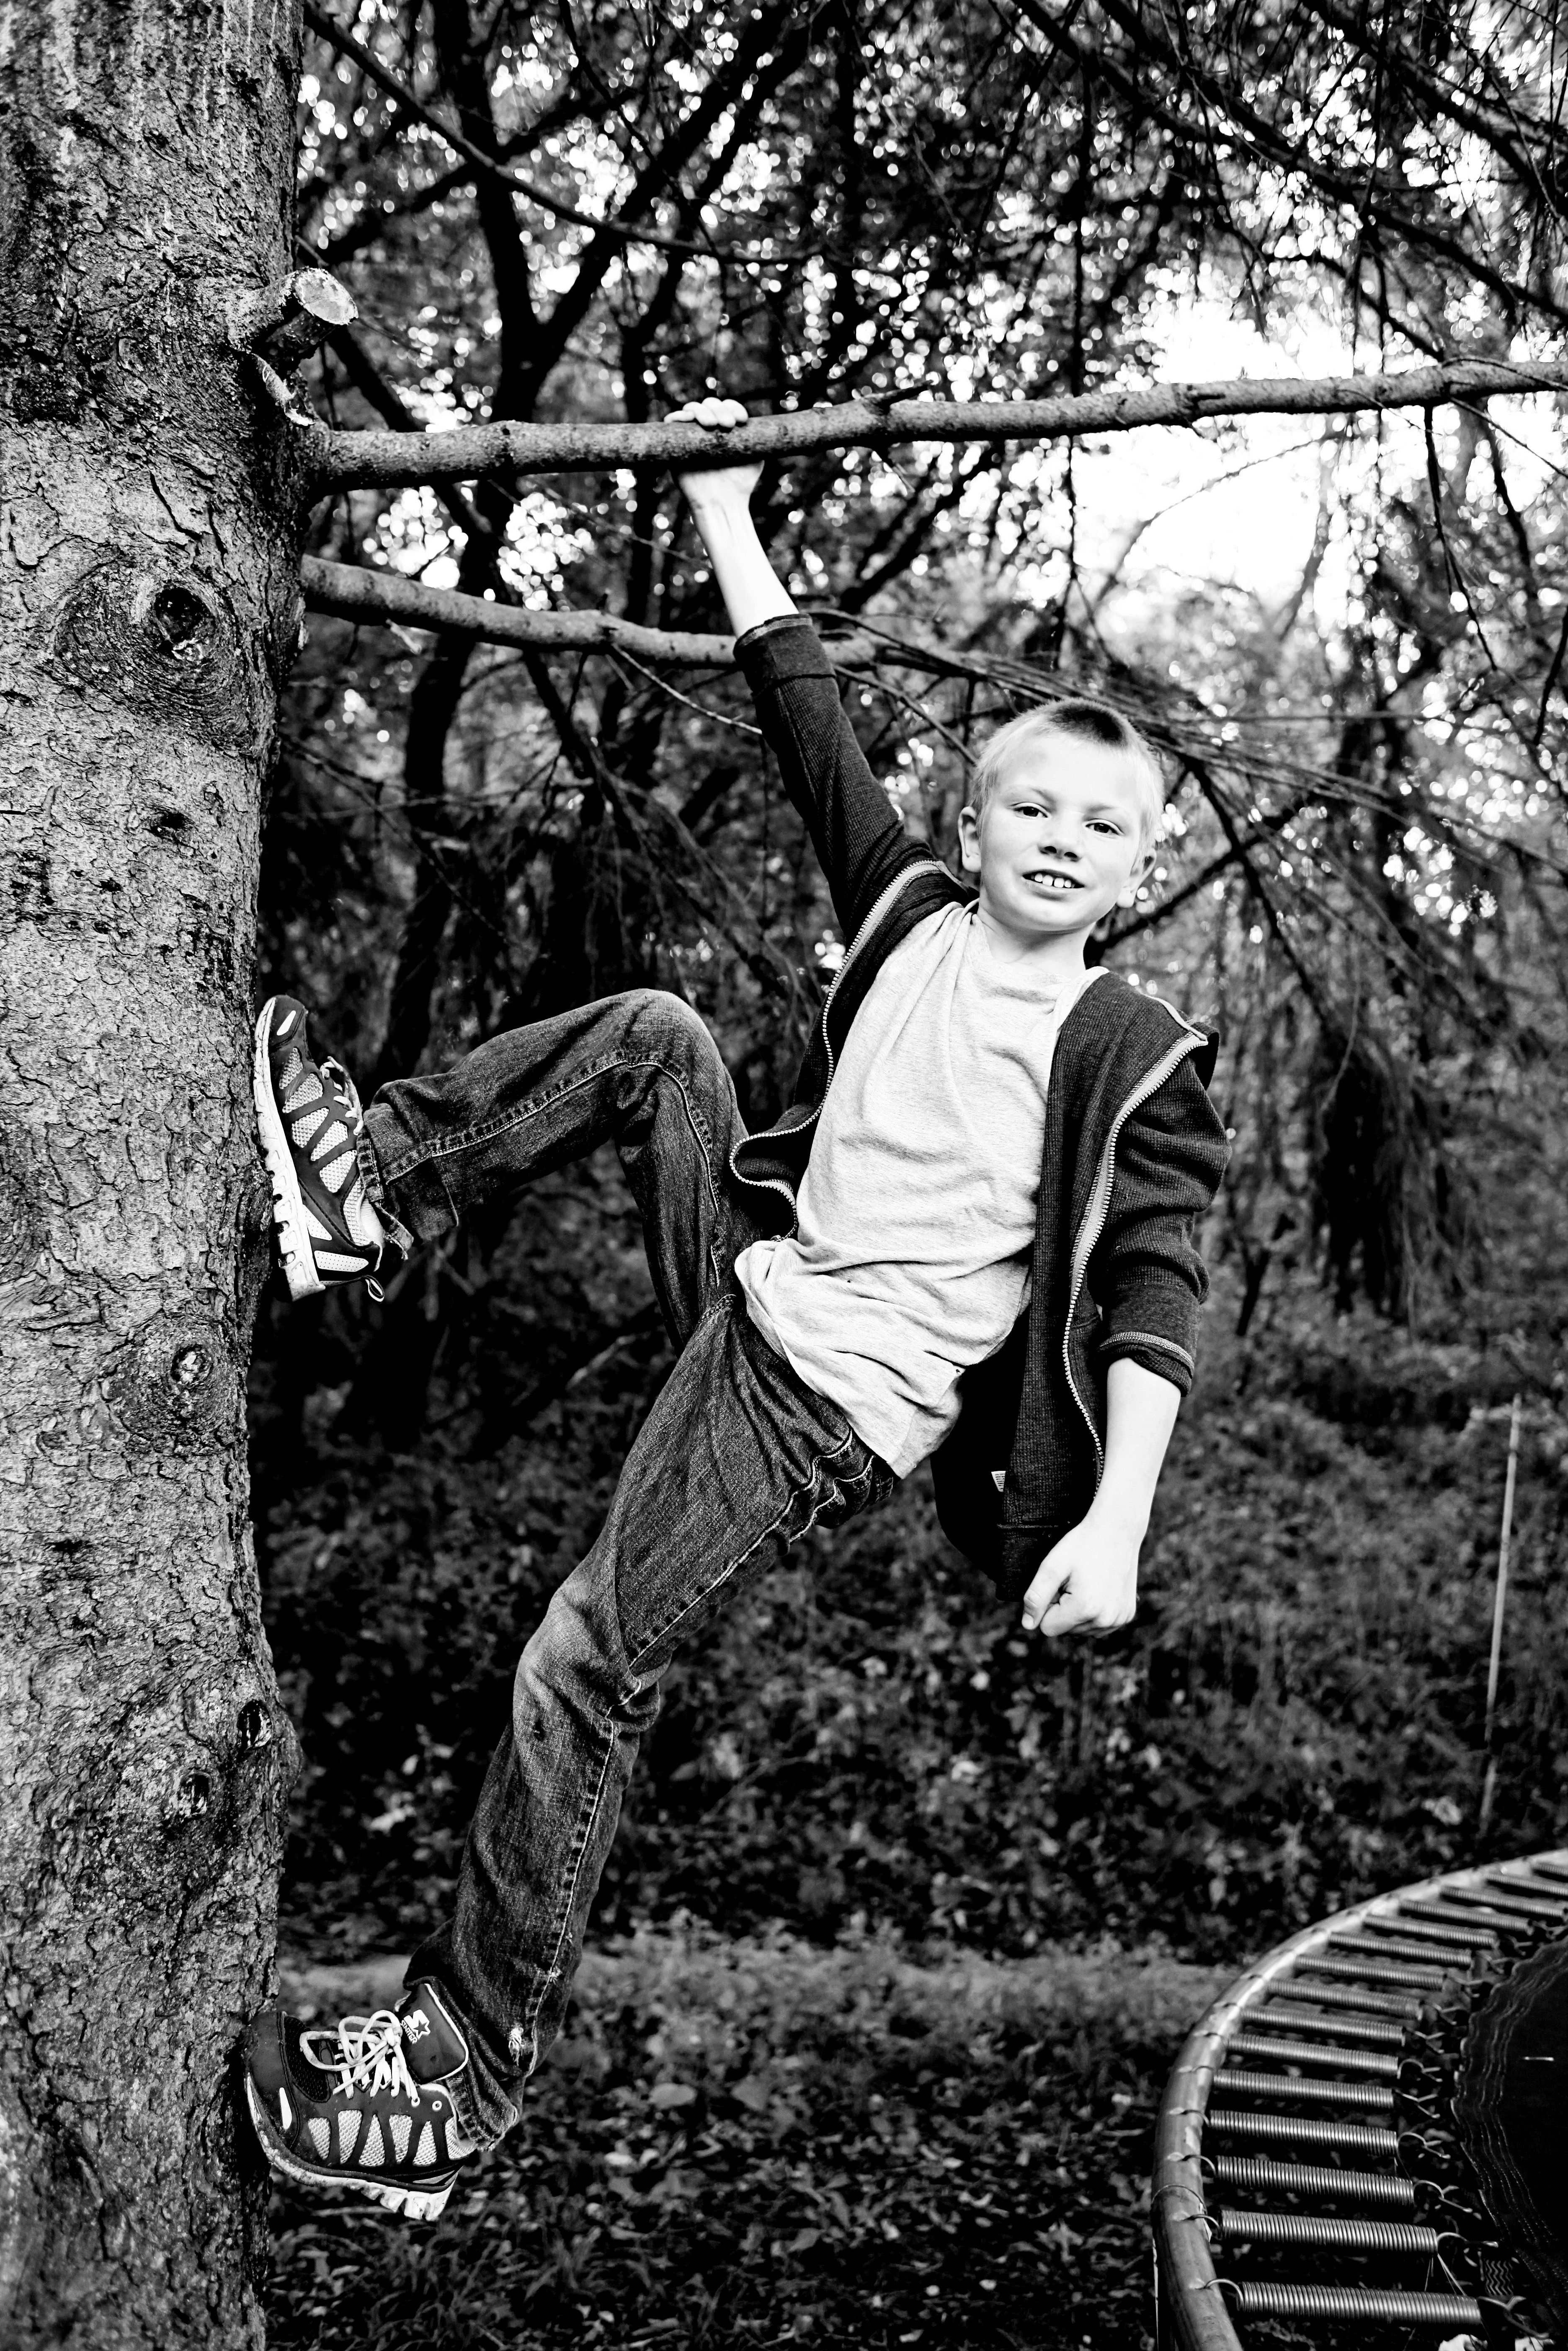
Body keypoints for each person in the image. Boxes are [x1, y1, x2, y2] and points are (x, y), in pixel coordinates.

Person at [240, 399, 1229, 2219]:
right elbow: (803, 713)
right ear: (976, 820)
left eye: (1106, 822)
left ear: (1140, 863)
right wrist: (716, 498)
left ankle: (462, 2068)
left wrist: (1121, 1514)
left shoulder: (1127, 1048)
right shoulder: (915, 917)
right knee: (655, 1038)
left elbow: (1161, 1288)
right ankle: (368, 1196)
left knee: (585, 1663)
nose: (1064, 838)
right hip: (752, 1296)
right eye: (1033, 804)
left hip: (826, 1408)